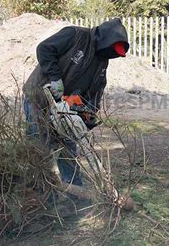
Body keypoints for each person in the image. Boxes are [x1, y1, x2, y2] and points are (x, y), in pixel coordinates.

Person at [23, 18, 129, 187]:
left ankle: (75, 194)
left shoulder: (102, 60)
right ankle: (36, 189)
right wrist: (55, 77)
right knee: (38, 144)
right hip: (40, 97)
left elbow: (96, 89)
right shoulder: (75, 35)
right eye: (111, 51)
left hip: (65, 108)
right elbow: (44, 49)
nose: (111, 56)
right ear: (103, 40)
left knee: (67, 147)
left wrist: (88, 115)